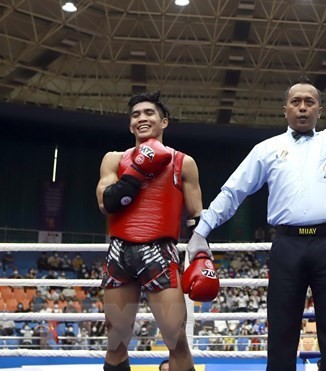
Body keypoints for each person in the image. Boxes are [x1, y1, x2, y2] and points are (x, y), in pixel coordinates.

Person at [187, 72, 326, 371]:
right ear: (285, 109)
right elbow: (233, 191)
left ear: (319, 110)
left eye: (309, 102)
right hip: (287, 245)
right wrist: (201, 231)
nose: (302, 107)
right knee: (282, 331)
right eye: (296, 102)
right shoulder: (267, 149)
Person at [95, 91, 204, 371]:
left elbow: (196, 215)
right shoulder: (114, 159)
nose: (142, 118)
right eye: (136, 115)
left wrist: (202, 257)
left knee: (176, 338)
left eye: (149, 113)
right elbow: (106, 203)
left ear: (164, 121)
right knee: (116, 339)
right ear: (131, 125)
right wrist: (138, 170)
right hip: (120, 251)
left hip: (160, 252)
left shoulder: (183, 162)